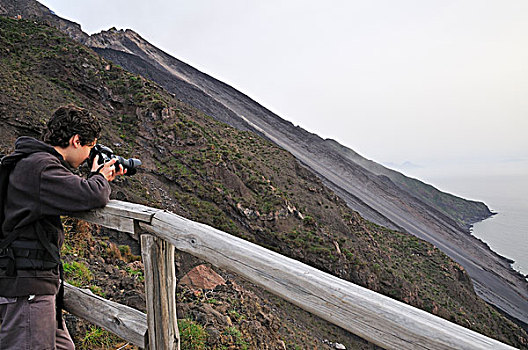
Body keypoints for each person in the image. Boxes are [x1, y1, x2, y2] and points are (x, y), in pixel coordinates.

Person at [0, 105, 125, 349]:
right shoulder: (42, 168)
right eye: (90, 148)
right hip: (26, 291)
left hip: (31, 285)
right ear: (76, 140)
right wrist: (100, 176)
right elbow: (91, 195)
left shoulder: (30, 161)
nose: (89, 156)